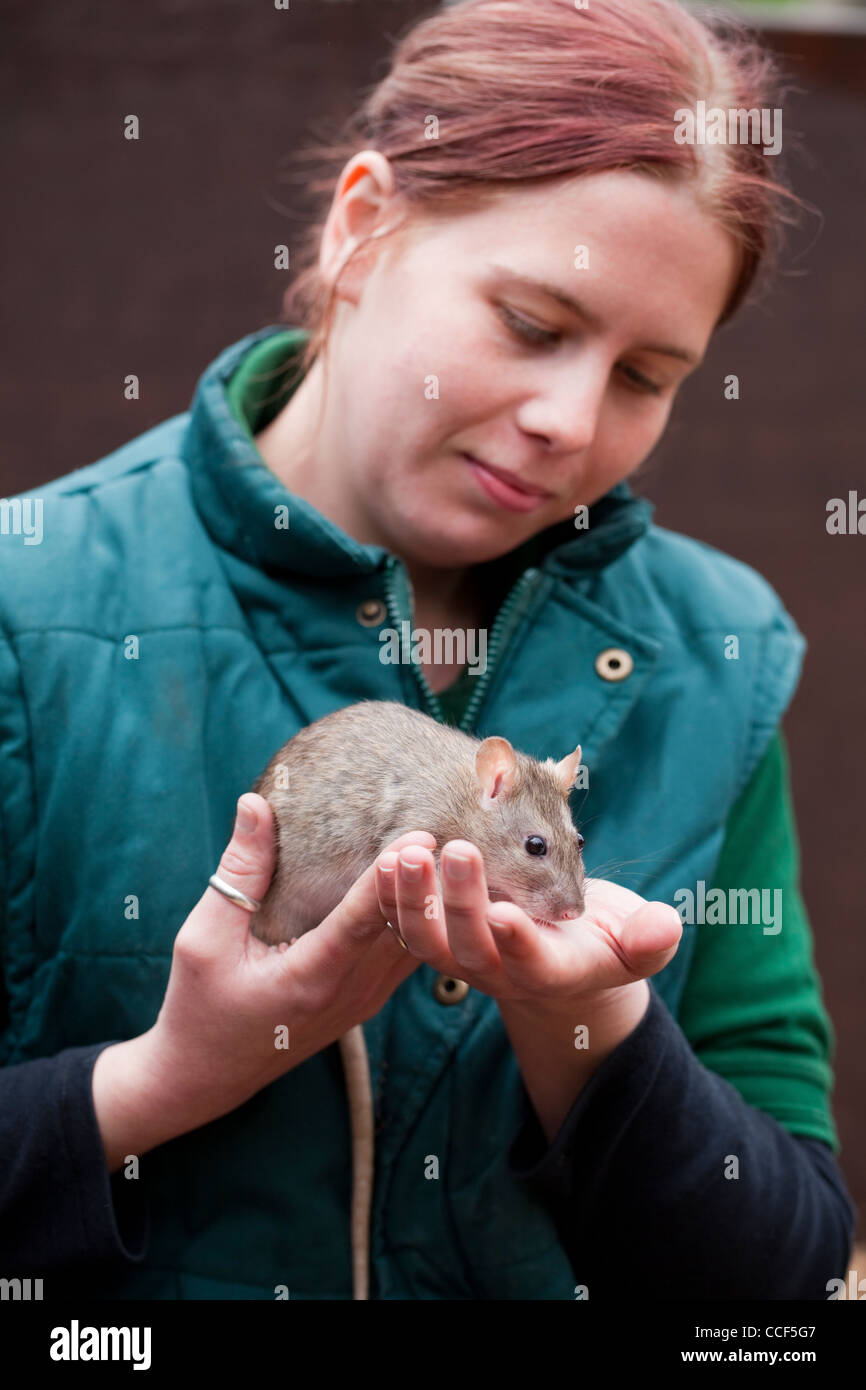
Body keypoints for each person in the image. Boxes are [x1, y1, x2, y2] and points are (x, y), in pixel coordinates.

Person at [0, 0, 856, 1301]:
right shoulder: (31, 603)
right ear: (360, 226)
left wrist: (592, 1027)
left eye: (645, 375)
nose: (567, 420)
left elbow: (783, 1280)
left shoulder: (711, 656)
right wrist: (165, 1078)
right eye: (529, 323)